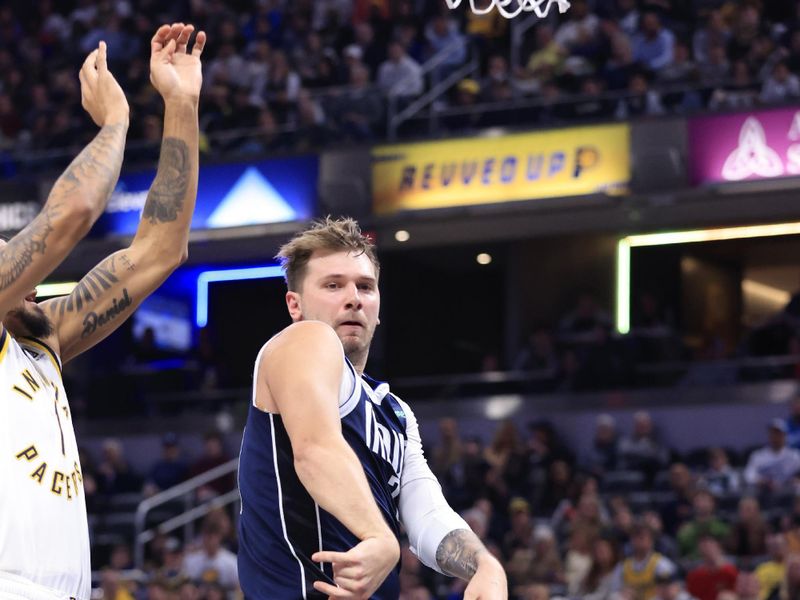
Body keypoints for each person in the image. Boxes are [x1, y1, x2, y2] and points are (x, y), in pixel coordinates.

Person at [0, 23, 205, 600]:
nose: (21, 269)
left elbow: (160, 250)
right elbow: (75, 212)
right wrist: (115, 122)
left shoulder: (41, 339)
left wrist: (180, 104)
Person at [237, 217, 508, 599]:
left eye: (365, 286)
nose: (353, 297)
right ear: (294, 304)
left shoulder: (395, 412)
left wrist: (484, 563)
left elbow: (425, 513)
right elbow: (316, 448)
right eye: (333, 285)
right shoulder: (303, 340)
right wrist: (380, 535)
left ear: (378, 306)